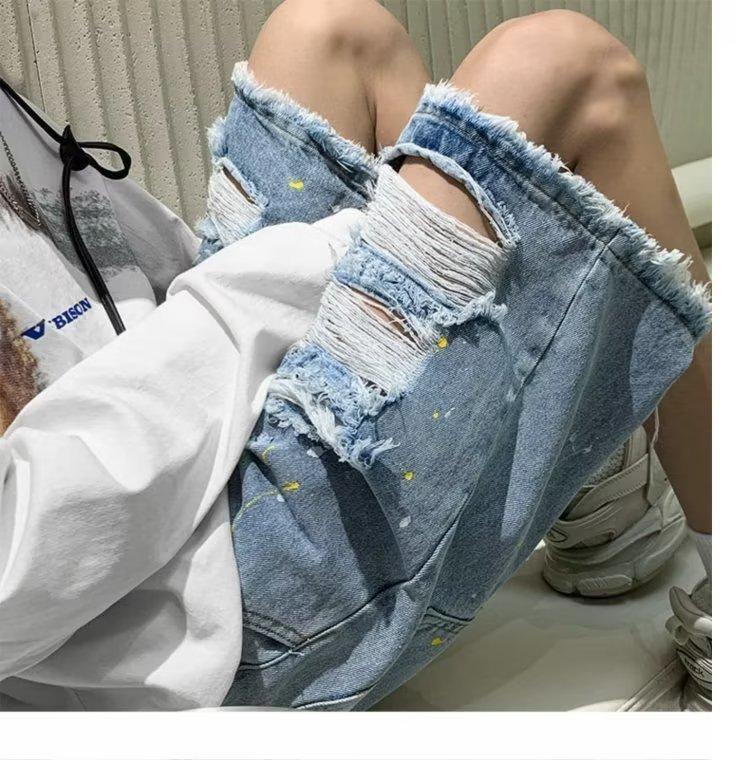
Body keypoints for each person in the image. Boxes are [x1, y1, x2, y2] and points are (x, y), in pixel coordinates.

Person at [0, 0, 711, 711]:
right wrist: (344, 260)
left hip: (183, 484)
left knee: (333, 35)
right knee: (564, 67)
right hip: (188, 632)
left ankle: (584, 481)